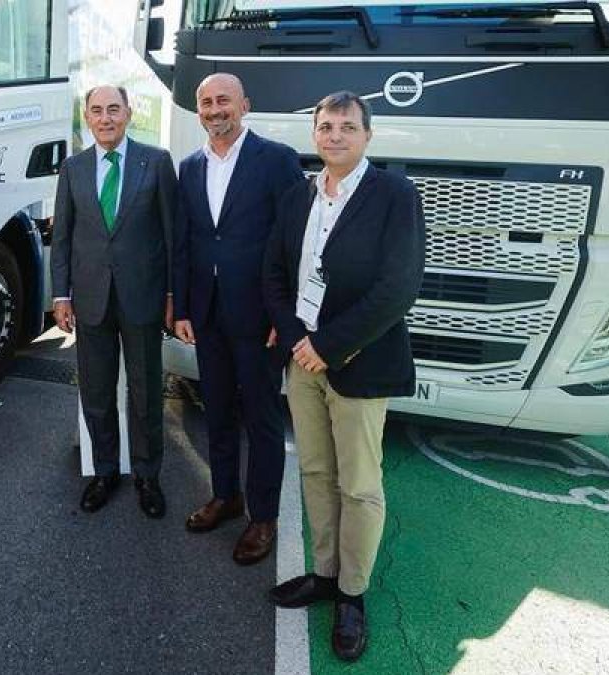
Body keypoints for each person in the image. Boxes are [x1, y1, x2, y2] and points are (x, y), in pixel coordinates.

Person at [262, 91, 425, 662]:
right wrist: (297, 338)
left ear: (367, 136)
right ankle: (325, 574)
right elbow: (276, 274)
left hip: (358, 363)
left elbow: (397, 287)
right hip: (303, 360)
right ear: (314, 134)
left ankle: (353, 595)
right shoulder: (297, 197)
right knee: (314, 472)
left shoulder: (394, 195)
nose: (334, 136)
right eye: (325, 126)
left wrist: (328, 346)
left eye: (346, 127)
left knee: (359, 485)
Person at [172, 73, 304, 565]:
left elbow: (295, 239)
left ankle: (263, 517)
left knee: (263, 419)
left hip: (260, 317)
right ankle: (226, 496)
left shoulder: (276, 160)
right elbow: (185, 241)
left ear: (244, 105)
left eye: (223, 100)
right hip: (207, 313)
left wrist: (285, 313)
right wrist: (182, 307)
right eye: (205, 102)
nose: (213, 109)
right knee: (218, 410)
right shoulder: (190, 167)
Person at [51, 85, 178, 518]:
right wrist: (60, 295)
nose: (106, 118)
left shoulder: (156, 162)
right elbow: (63, 237)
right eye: (97, 111)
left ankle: (147, 476)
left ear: (128, 114)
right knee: (98, 392)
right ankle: (104, 471)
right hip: (89, 300)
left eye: (114, 110)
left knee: (145, 394)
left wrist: (172, 295)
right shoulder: (73, 168)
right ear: (87, 117)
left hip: (143, 298)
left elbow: (171, 236)